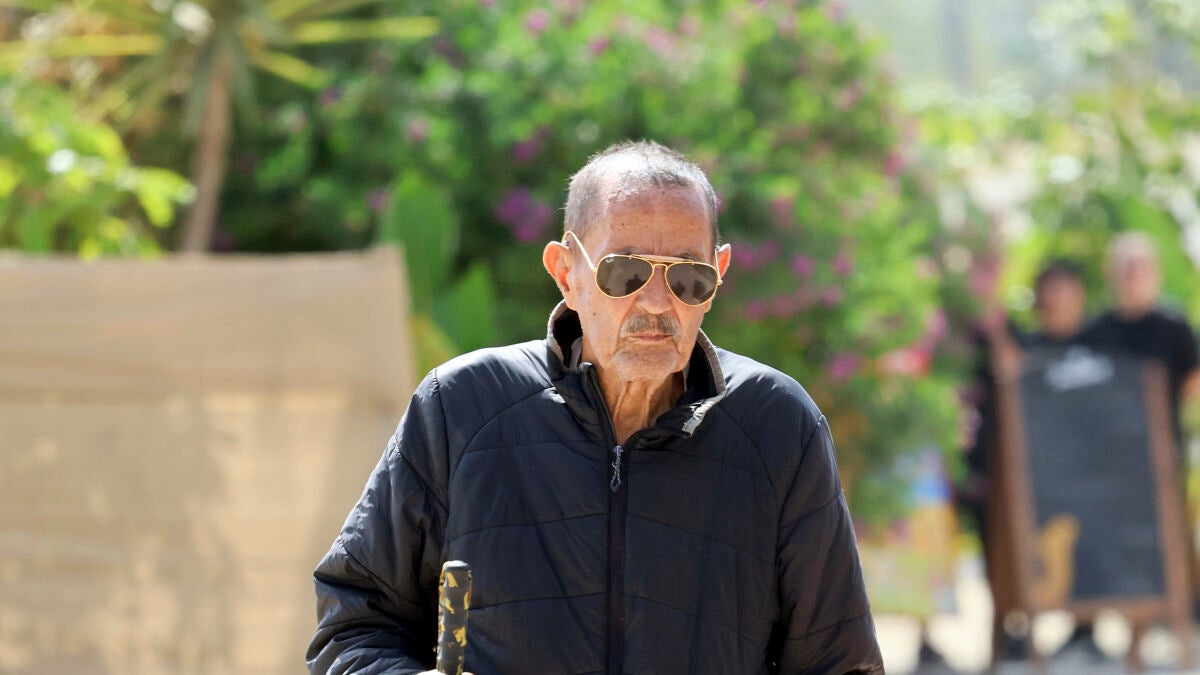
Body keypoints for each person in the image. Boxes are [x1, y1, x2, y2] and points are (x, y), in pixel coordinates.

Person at [306, 140, 884, 674]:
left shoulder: (778, 425)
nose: (656, 302)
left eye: (688, 277)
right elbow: (354, 624)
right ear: (566, 273)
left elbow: (840, 665)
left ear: (719, 274)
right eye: (625, 271)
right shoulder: (461, 407)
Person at [1087, 232, 1200, 454]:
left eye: (1141, 268)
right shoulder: (1095, 330)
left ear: (1157, 274)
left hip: (1163, 445)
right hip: (1109, 446)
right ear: (1111, 272)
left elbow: (1193, 382)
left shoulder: (1174, 326)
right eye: (1127, 268)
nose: (1134, 276)